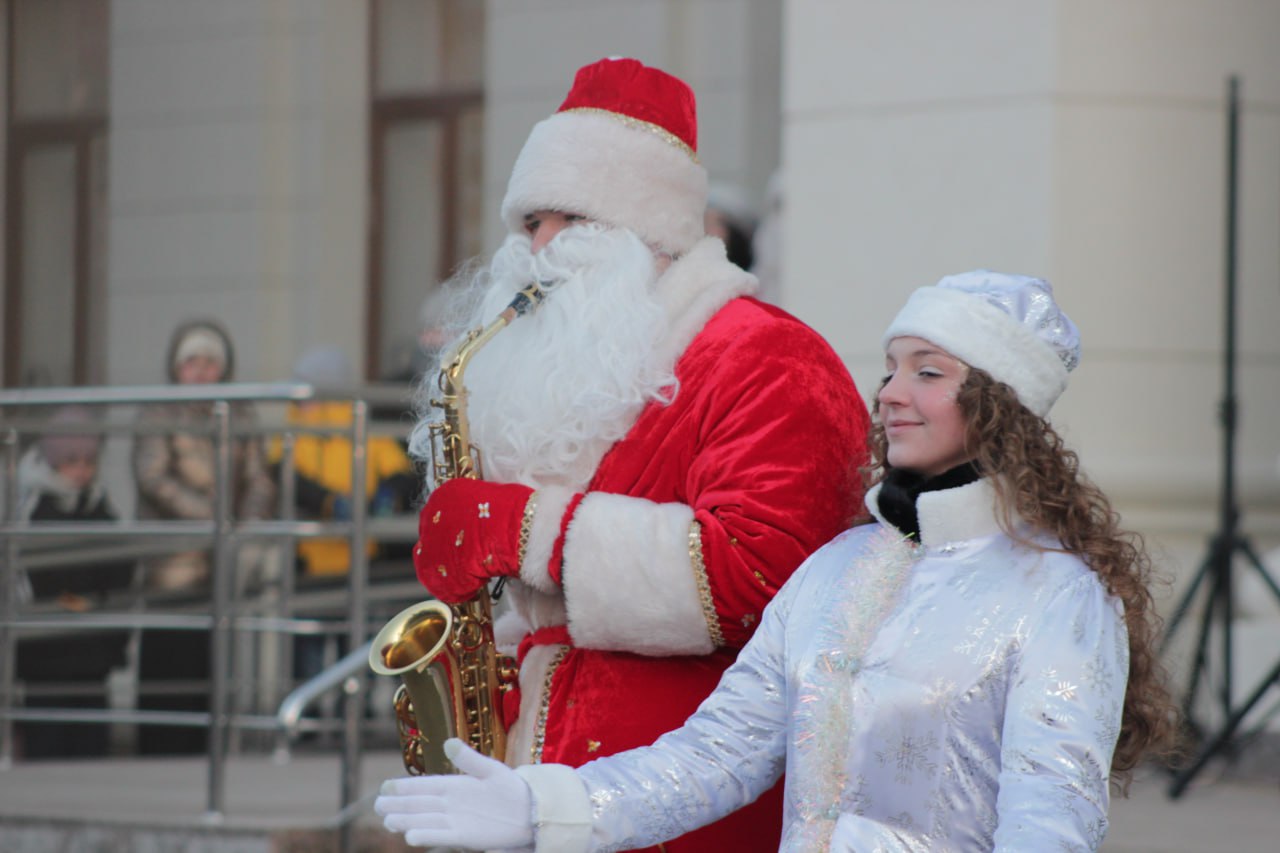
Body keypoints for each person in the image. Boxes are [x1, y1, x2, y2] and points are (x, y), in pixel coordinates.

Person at [376, 271, 1179, 852]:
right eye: (892, 365)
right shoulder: (836, 570)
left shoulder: (1058, 593)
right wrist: (539, 805)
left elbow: (1051, 823)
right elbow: (712, 757)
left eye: (928, 371)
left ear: (1001, 404)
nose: (892, 390)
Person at [398, 57, 870, 851]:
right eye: (527, 222)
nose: (536, 247)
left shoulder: (768, 357)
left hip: (689, 808)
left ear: (649, 233)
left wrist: (526, 529)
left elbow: (761, 577)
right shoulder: (581, 371)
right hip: (542, 790)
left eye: (568, 220)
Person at [131, 318, 275, 754]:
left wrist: (243, 523)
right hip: (172, 562)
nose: (201, 372)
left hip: (223, 561)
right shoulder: (157, 414)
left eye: (210, 362)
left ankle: (202, 750)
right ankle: (159, 749)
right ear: (177, 368)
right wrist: (213, 517)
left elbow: (260, 480)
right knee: (168, 657)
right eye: (192, 362)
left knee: (210, 660)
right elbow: (153, 478)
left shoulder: (241, 413)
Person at [14, 405, 132, 759]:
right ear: (53, 461)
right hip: (48, 652)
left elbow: (119, 569)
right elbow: (36, 577)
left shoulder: (100, 508)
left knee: (91, 744)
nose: (80, 469)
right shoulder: (33, 511)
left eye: (88, 460)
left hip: (93, 652)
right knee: (48, 741)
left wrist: (99, 609)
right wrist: (80, 603)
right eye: (71, 460)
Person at [270, 345, 418, 578]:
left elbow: (399, 471)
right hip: (306, 557)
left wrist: (388, 498)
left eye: (304, 391)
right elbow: (286, 476)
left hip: (363, 555)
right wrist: (329, 502)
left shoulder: (363, 427)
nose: (298, 401)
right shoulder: (291, 431)